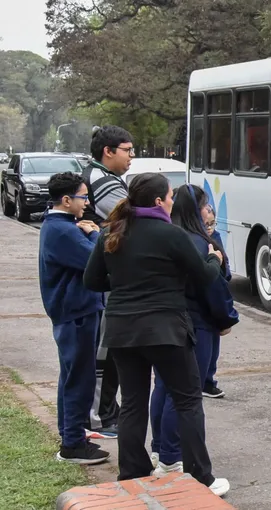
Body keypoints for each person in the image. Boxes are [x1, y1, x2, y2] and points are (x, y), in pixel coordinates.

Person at [83, 173, 230, 497]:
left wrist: (125, 284)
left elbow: (92, 280)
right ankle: (200, 477)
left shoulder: (111, 231)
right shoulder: (171, 234)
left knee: (133, 403)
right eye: (169, 197)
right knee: (188, 399)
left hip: (122, 330)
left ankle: (133, 472)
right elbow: (203, 276)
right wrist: (213, 258)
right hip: (166, 329)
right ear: (158, 202)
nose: (172, 202)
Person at [150, 186, 239, 474]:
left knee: (163, 387)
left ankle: (160, 448)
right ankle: (172, 457)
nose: (210, 211)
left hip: (165, 322)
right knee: (187, 393)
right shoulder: (201, 244)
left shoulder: (166, 237)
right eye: (205, 205)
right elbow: (214, 287)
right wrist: (226, 318)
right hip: (196, 324)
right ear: (194, 210)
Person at [39, 172, 110, 465]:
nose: (87, 202)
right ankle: (72, 444)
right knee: (78, 377)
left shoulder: (60, 225)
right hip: (76, 313)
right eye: (83, 196)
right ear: (66, 200)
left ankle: (73, 433)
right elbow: (97, 260)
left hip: (76, 310)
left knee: (72, 375)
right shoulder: (64, 231)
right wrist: (94, 234)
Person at [81, 125, 134, 440]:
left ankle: (104, 413)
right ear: (108, 151)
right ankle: (100, 416)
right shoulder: (103, 182)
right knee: (106, 353)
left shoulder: (107, 178)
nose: (132, 157)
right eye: (127, 150)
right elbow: (128, 220)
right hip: (104, 285)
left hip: (104, 282)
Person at [201, 206, 228, 399]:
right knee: (204, 349)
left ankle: (209, 380)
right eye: (206, 224)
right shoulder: (196, 242)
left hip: (215, 299)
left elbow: (224, 267)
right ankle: (204, 381)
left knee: (214, 348)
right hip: (204, 302)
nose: (209, 228)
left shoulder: (215, 237)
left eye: (212, 223)